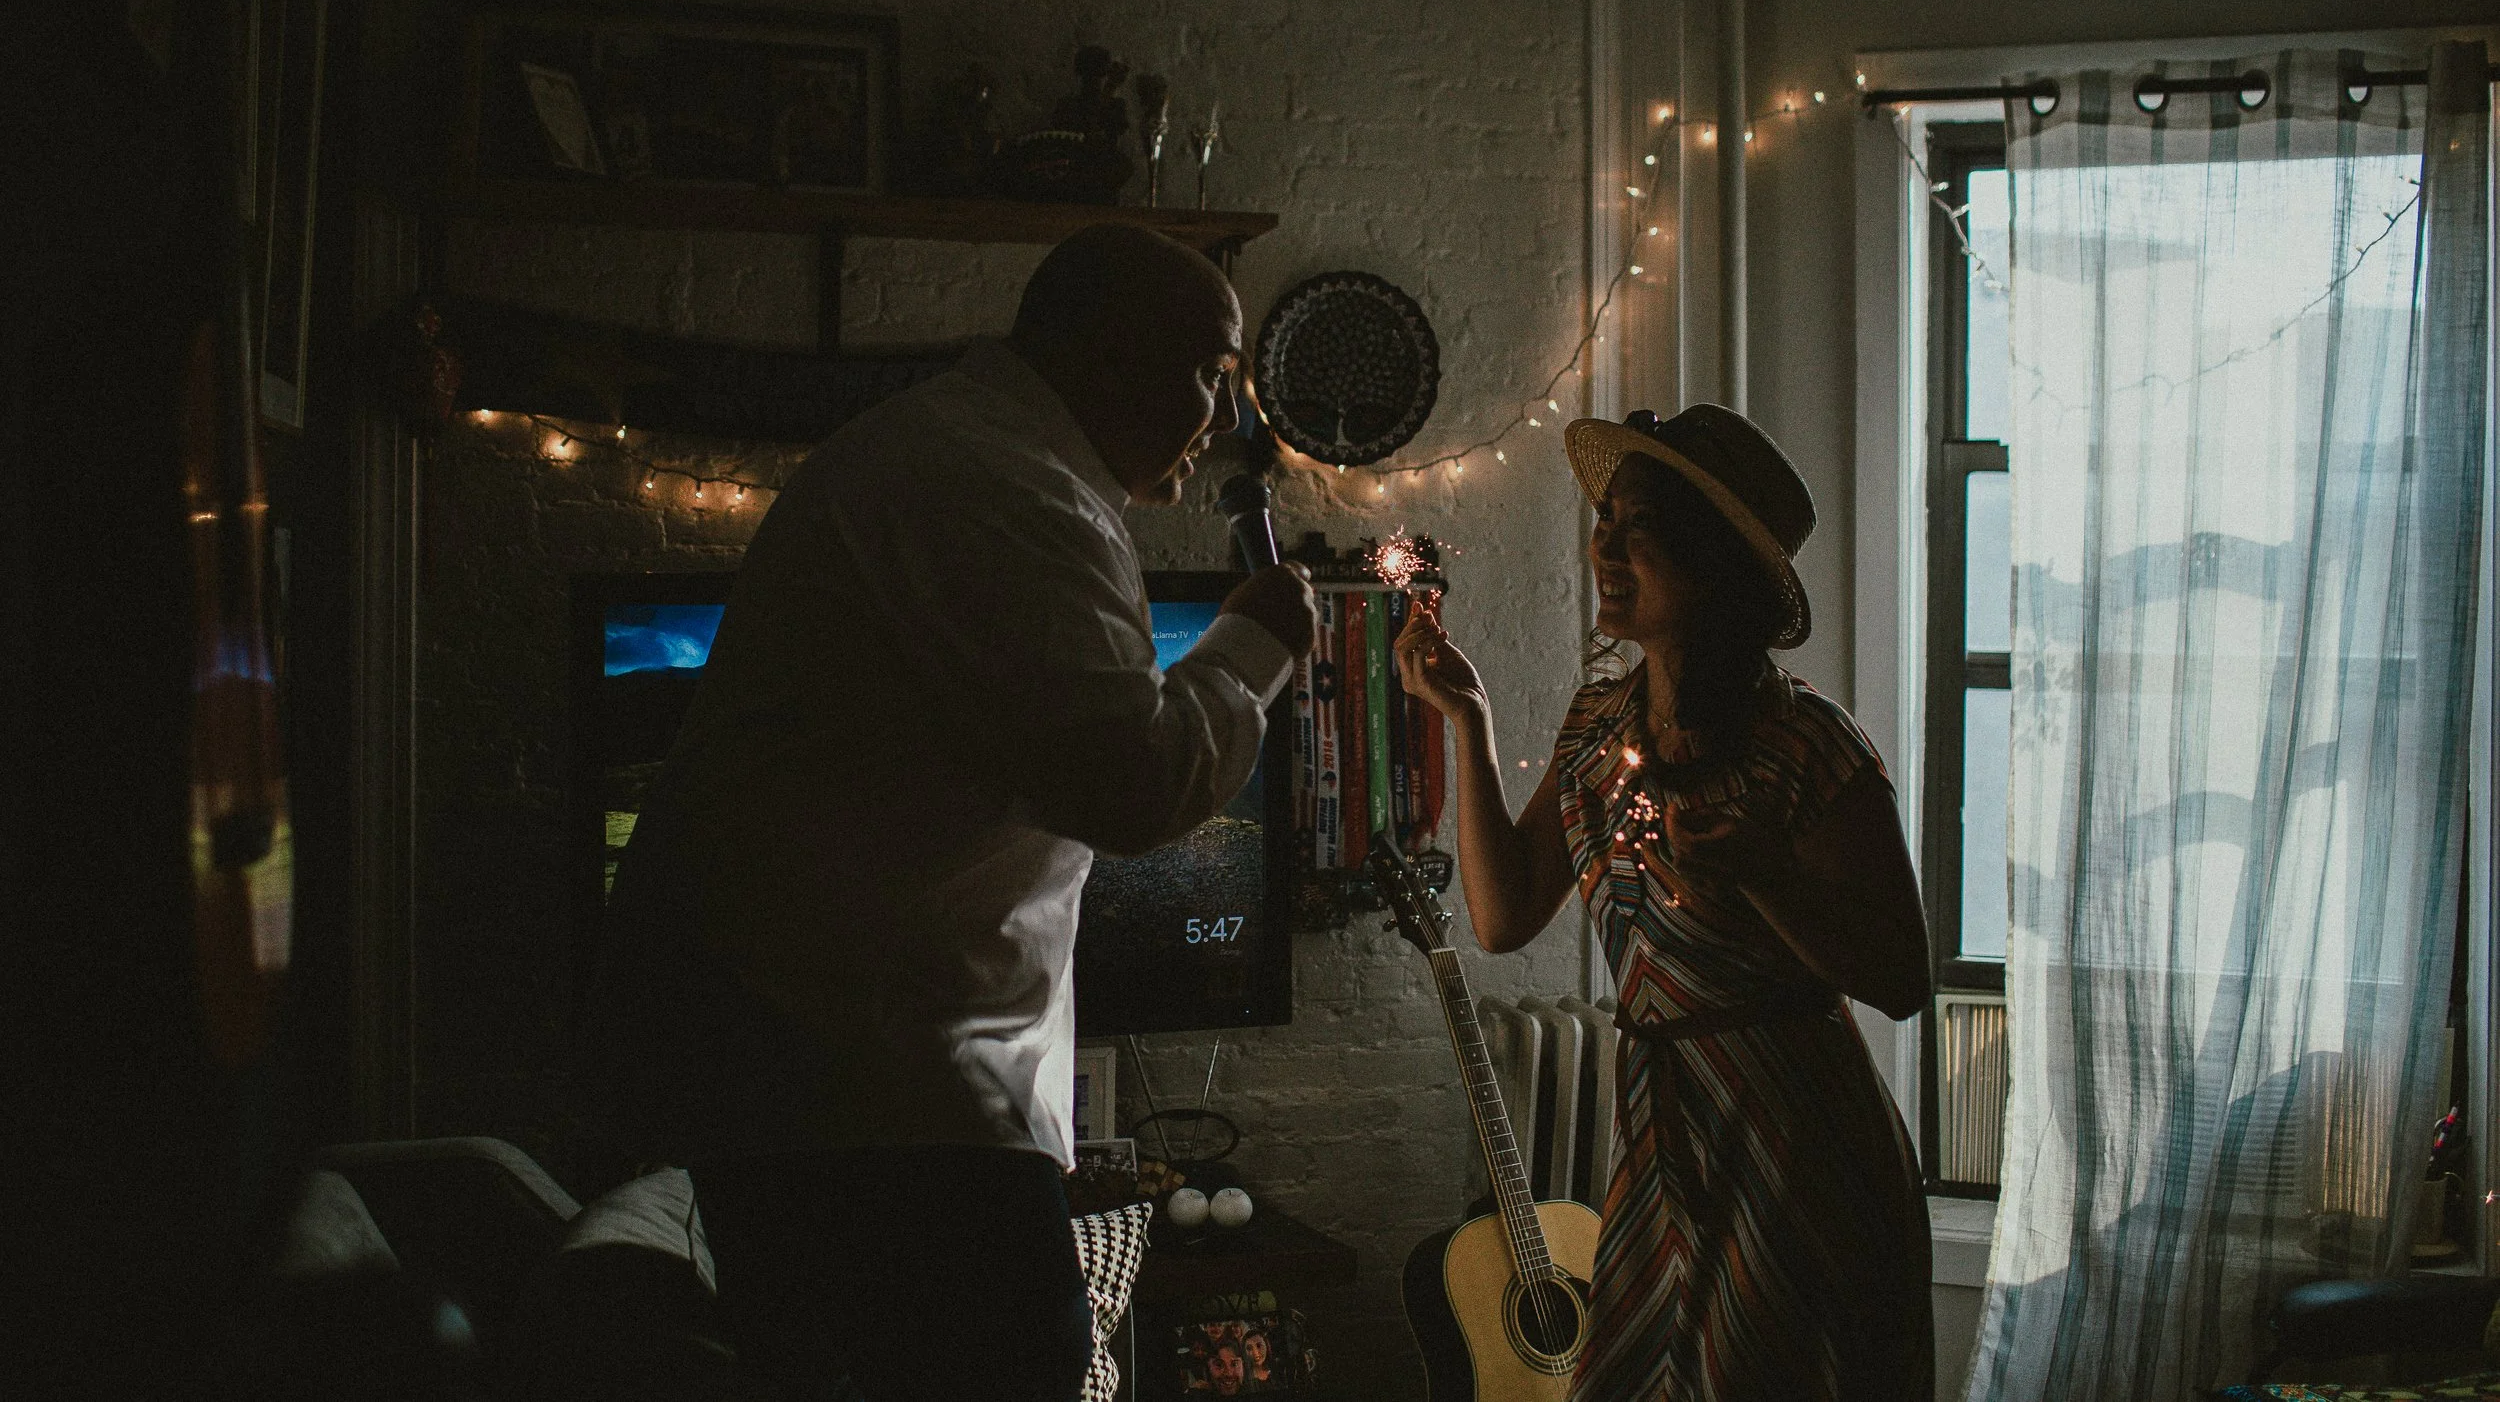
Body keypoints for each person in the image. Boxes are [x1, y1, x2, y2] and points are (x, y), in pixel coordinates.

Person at [587, 223, 1318, 1402]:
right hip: (874, 1107)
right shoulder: (1008, 491)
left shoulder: (967, 453)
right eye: (1209, 370)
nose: (1226, 418)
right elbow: (1132, 779)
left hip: (832, 1090)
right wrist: (1253, 646)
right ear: (1106, 352)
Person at [1394, 405, 1933, 1402]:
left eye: (1638, 524)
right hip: (1657, 1133)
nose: (1604, 540)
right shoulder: (1599, 723)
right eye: (1605, 516)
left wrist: (1765, 873)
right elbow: (1506, 914)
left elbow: (1903, 979)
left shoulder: (1811, 746)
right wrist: (1466, 725)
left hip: (1788, 1140)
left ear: (1715, 563)